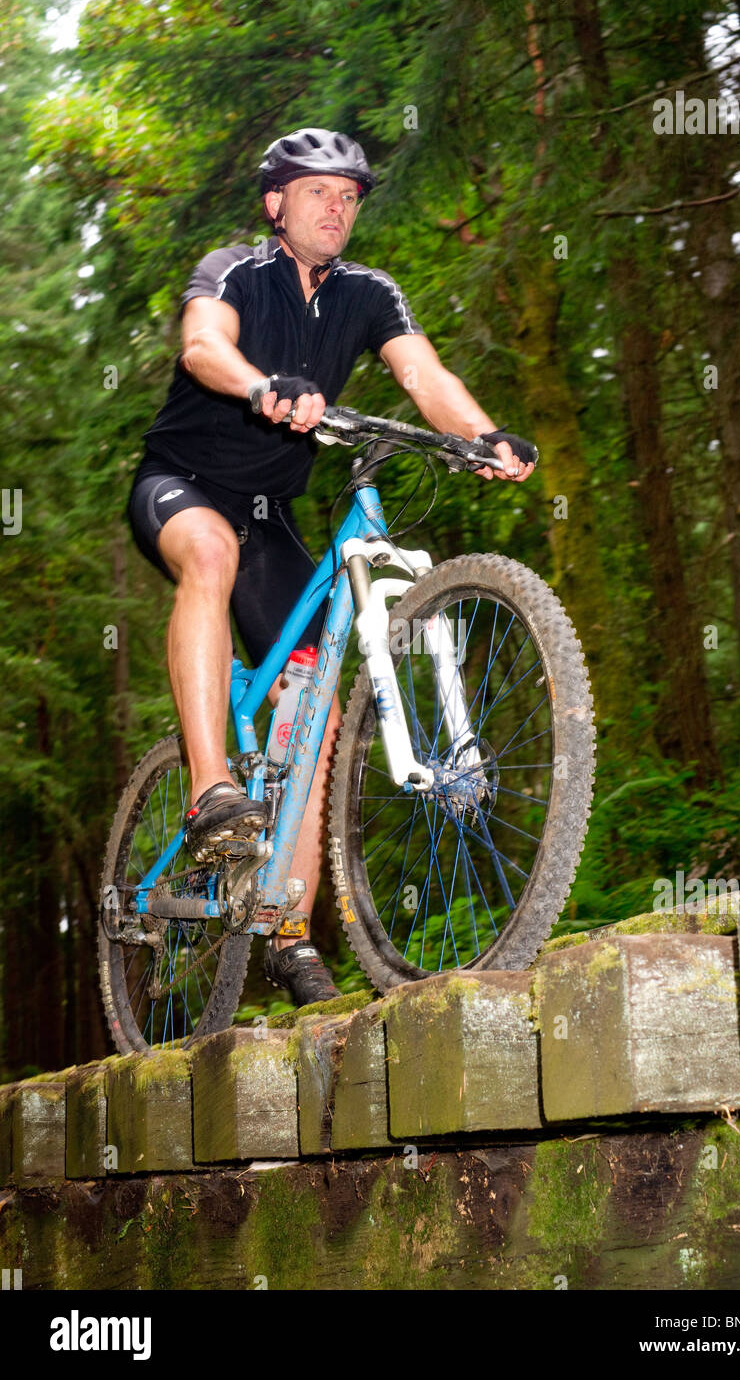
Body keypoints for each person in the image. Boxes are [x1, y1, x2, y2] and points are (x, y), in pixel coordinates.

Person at [128, 127, 536, 1006]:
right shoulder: (235, 270)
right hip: (181, 484)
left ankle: (286, 929)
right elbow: (201, 345)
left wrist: (484, 435)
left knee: (311, 703)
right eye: (319, 191)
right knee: (211, 550)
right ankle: (209, 791)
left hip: (273, 518)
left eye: (350, 196)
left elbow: (423, 374)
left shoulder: (367, 294)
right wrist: (255, 385)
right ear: (277, 203)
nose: (338, 208)